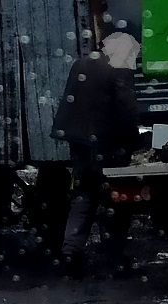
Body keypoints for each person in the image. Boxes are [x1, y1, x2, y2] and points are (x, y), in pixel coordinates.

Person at [51, 31, 142, 277]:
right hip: (107, 144)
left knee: (84, 195)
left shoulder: (82, 61)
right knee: (116, 198)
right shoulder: (118, 66)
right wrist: (137, 140)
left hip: (79, 139)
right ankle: (114, 256)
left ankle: (70, 253)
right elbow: (126, 108)